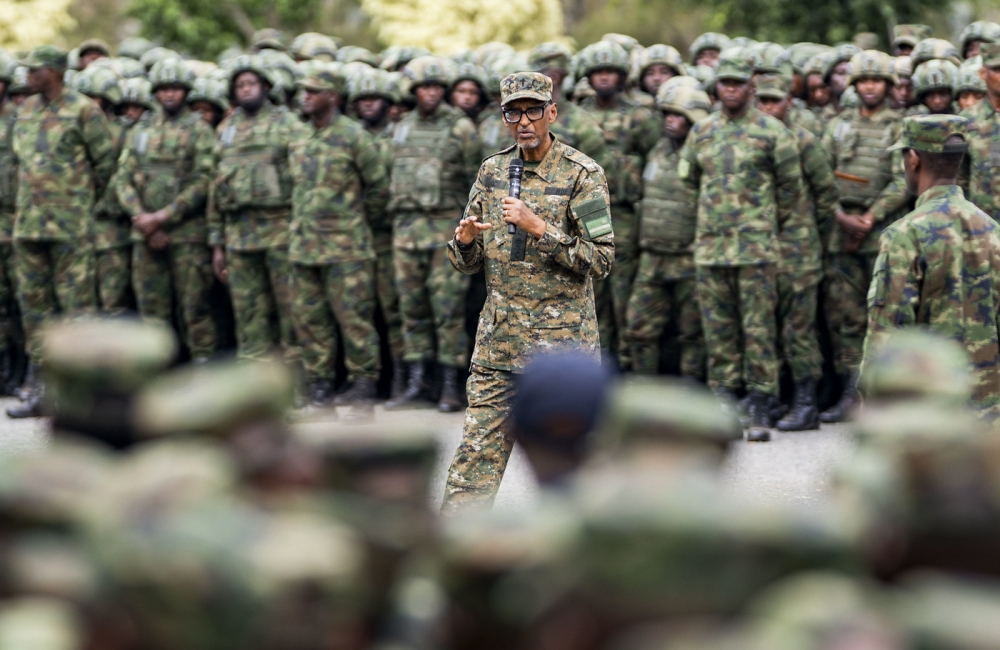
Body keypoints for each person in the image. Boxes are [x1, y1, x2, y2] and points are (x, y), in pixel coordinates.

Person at [441, 71, 613, 512]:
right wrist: (462, 243)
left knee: (572, 475)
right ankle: (458, 560)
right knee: (473, 464)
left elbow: (601, 260)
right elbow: (468, 262)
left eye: (533, 110)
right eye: (513, 112)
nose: (524, 122)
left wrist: (541, 229)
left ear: (551, 112)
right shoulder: (493, 170)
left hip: (561, 353)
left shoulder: (582, 174)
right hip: (499, 344)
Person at [679, 51, 804, 442]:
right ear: (716, 87)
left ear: (752, 86)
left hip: (756, 251)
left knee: (759, 330)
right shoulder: (701, 132)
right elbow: (689, 181)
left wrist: (763, 224)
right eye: (724, 83)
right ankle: (724, 403)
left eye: (738, 82)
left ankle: (761, 404)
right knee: (718, 330)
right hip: (712, 250)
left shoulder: (773, 132)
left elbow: (790, 189)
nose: (730, 89)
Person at [861, 114, 1000, 424]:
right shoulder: (993, 231)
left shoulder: (904, 235)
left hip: (926, 421)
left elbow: (886, 336)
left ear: (912, 159)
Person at [8, 46, 114, 419]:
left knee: (77, 308)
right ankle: (41, 389)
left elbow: (106, 163)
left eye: (33, 70)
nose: (27, 77)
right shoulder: (25, 111)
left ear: (52, 72)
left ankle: (80, 396)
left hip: (71, 227)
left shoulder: (85, 110)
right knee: (35, 308)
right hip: (30, 225)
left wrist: (82, 204)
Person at [288, 64, 389, 416]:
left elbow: (378, 187)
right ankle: (320, 391)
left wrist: (355, 221)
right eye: (304, 92)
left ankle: (363, 389)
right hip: (304, 247)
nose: (306, 98)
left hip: (346, 248)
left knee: (354, 320)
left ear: (332, 97)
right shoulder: (300, 137)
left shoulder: (354, 136)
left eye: (313, 92)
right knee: (311, 320)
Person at [384, 56, 479, 412]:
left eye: (437, 87)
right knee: (412, 307)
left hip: (445, 230)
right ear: (414, 90)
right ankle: (417, 382)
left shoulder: (460, 128)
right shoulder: (403, 127)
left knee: (447, 308)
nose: (431, 93)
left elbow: (477, 181)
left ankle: (451, 386)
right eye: (424, 87)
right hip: (405, 230)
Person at [112, 58, 219, 363]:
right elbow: (123, 178)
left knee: (195, 309)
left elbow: (204, 179)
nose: (170, 95)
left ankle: (202, 372)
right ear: (156, 92)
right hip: (144, 235)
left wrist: (163, 218)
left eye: (176, 89)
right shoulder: (141, 129)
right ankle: (157, 374)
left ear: (185, 91)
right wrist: (141, 219)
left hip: (186, 236)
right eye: (164, 89)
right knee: (151, 314)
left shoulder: (199, 129)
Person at [820, 50, 906, 423]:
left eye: (877, 80)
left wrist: (870, 217)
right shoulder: (839, 124)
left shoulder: (898, 124)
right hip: (841, 232)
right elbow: (823, 174)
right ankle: (850, 393)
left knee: (885, 318)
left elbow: (904, 178)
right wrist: (841, 218)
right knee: (847, 319)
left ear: (887, 85)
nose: (870, 87)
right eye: (864, 80)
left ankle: (887, 396)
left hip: (881, 234)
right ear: (854, 84)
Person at [207, 55, 309, 360]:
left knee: (291, 311)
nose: (246, 88)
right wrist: (217, 243)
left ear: (265, 86)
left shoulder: (288, 124)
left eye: (252, 82)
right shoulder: (225, 130)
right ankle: (253, 387)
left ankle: (296, 385)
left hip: (281, 231)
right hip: (239, 235)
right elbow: (215, 188)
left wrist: (300, 229)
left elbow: (306, 181)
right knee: (248, 314)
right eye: (240, 84)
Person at [755, 74, 837, 431]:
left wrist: (807, 235)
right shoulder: (753, 141)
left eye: (776, 101)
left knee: (798, 329)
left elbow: (826, 196)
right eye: (763, 101)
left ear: (789, 102)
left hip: (799, 251)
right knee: (764, 327)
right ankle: (774, 398)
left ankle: (806, 403)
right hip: (761, 249)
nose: (769, 108)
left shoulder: (805, 141)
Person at [576, 41, 659, 368]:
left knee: (625, 299)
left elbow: (657, 162)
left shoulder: (639, 116)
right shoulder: (580, 115)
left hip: (624, 216)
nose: (605, 77)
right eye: (599, 72)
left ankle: (627, 369)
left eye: (611, 71)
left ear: (622, 75)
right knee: (594, 300)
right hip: (586, 214)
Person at [624, 82, 709, 378]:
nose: (669, 120)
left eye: (678, 115)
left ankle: (689, 387)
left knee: (693, 330)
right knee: (638, 327)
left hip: (688, 256)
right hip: (653, 256)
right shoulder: (658, 149)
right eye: (667, 114)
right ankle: (644, 385)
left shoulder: (702, 154)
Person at [960, 42, 1000, 222]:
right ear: (983, 73)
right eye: (998, 69)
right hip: (982, 230)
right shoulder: (967, 120)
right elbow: (960, 178)